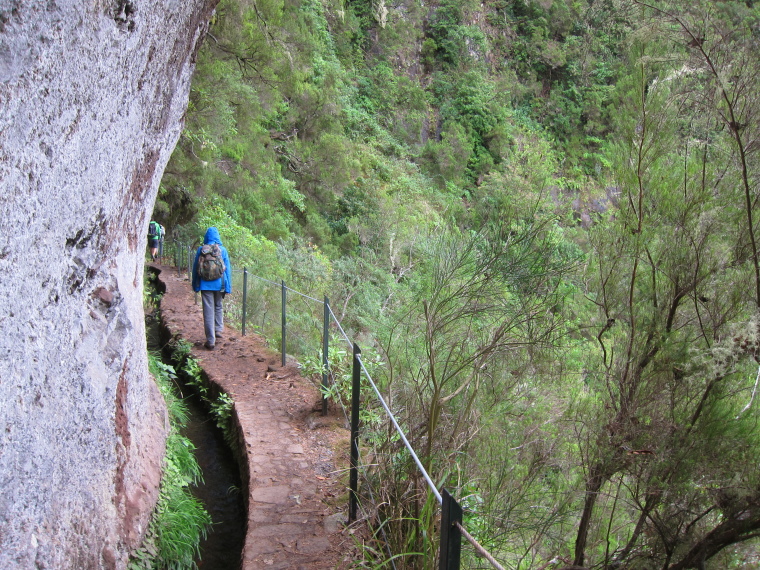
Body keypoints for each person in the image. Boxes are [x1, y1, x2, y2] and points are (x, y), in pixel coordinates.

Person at [192, 227, 232, 350]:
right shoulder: (222, 250)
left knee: (208, 310)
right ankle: (218, 329)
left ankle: (211, 340)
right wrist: (228, 287)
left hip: (205, 284)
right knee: (218, 305)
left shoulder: (201, 250)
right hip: (220, 284)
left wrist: (195, 285)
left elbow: (195, 269)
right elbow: (228, 270)